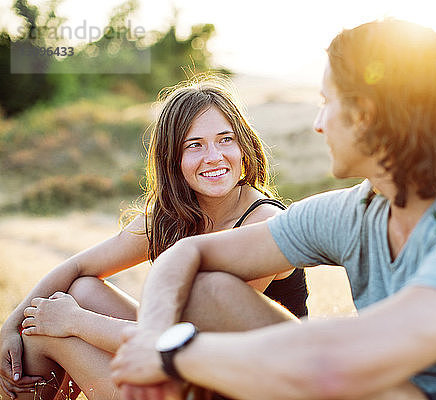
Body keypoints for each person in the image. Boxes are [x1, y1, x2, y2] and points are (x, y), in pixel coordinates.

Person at [111, 19, 436, 400]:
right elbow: (185, 255)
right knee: (208, 291)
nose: (318, 122)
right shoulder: (357, 211)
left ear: (364, 114)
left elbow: (336, 365)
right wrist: (152, 337)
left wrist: (172, 356)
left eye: (327, 101)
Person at [0, 76, 307, 400]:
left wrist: (74, 322)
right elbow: (78, 265)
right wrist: (9, 325)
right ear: (172, 158)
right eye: (195, 145)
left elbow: (186, 344)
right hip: (184, 364)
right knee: (77, 292)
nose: (214, 156)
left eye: (225, 139)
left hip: (244, 384)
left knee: (46, 332)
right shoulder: (175, 216)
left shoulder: (263, 223)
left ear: (244, 146)